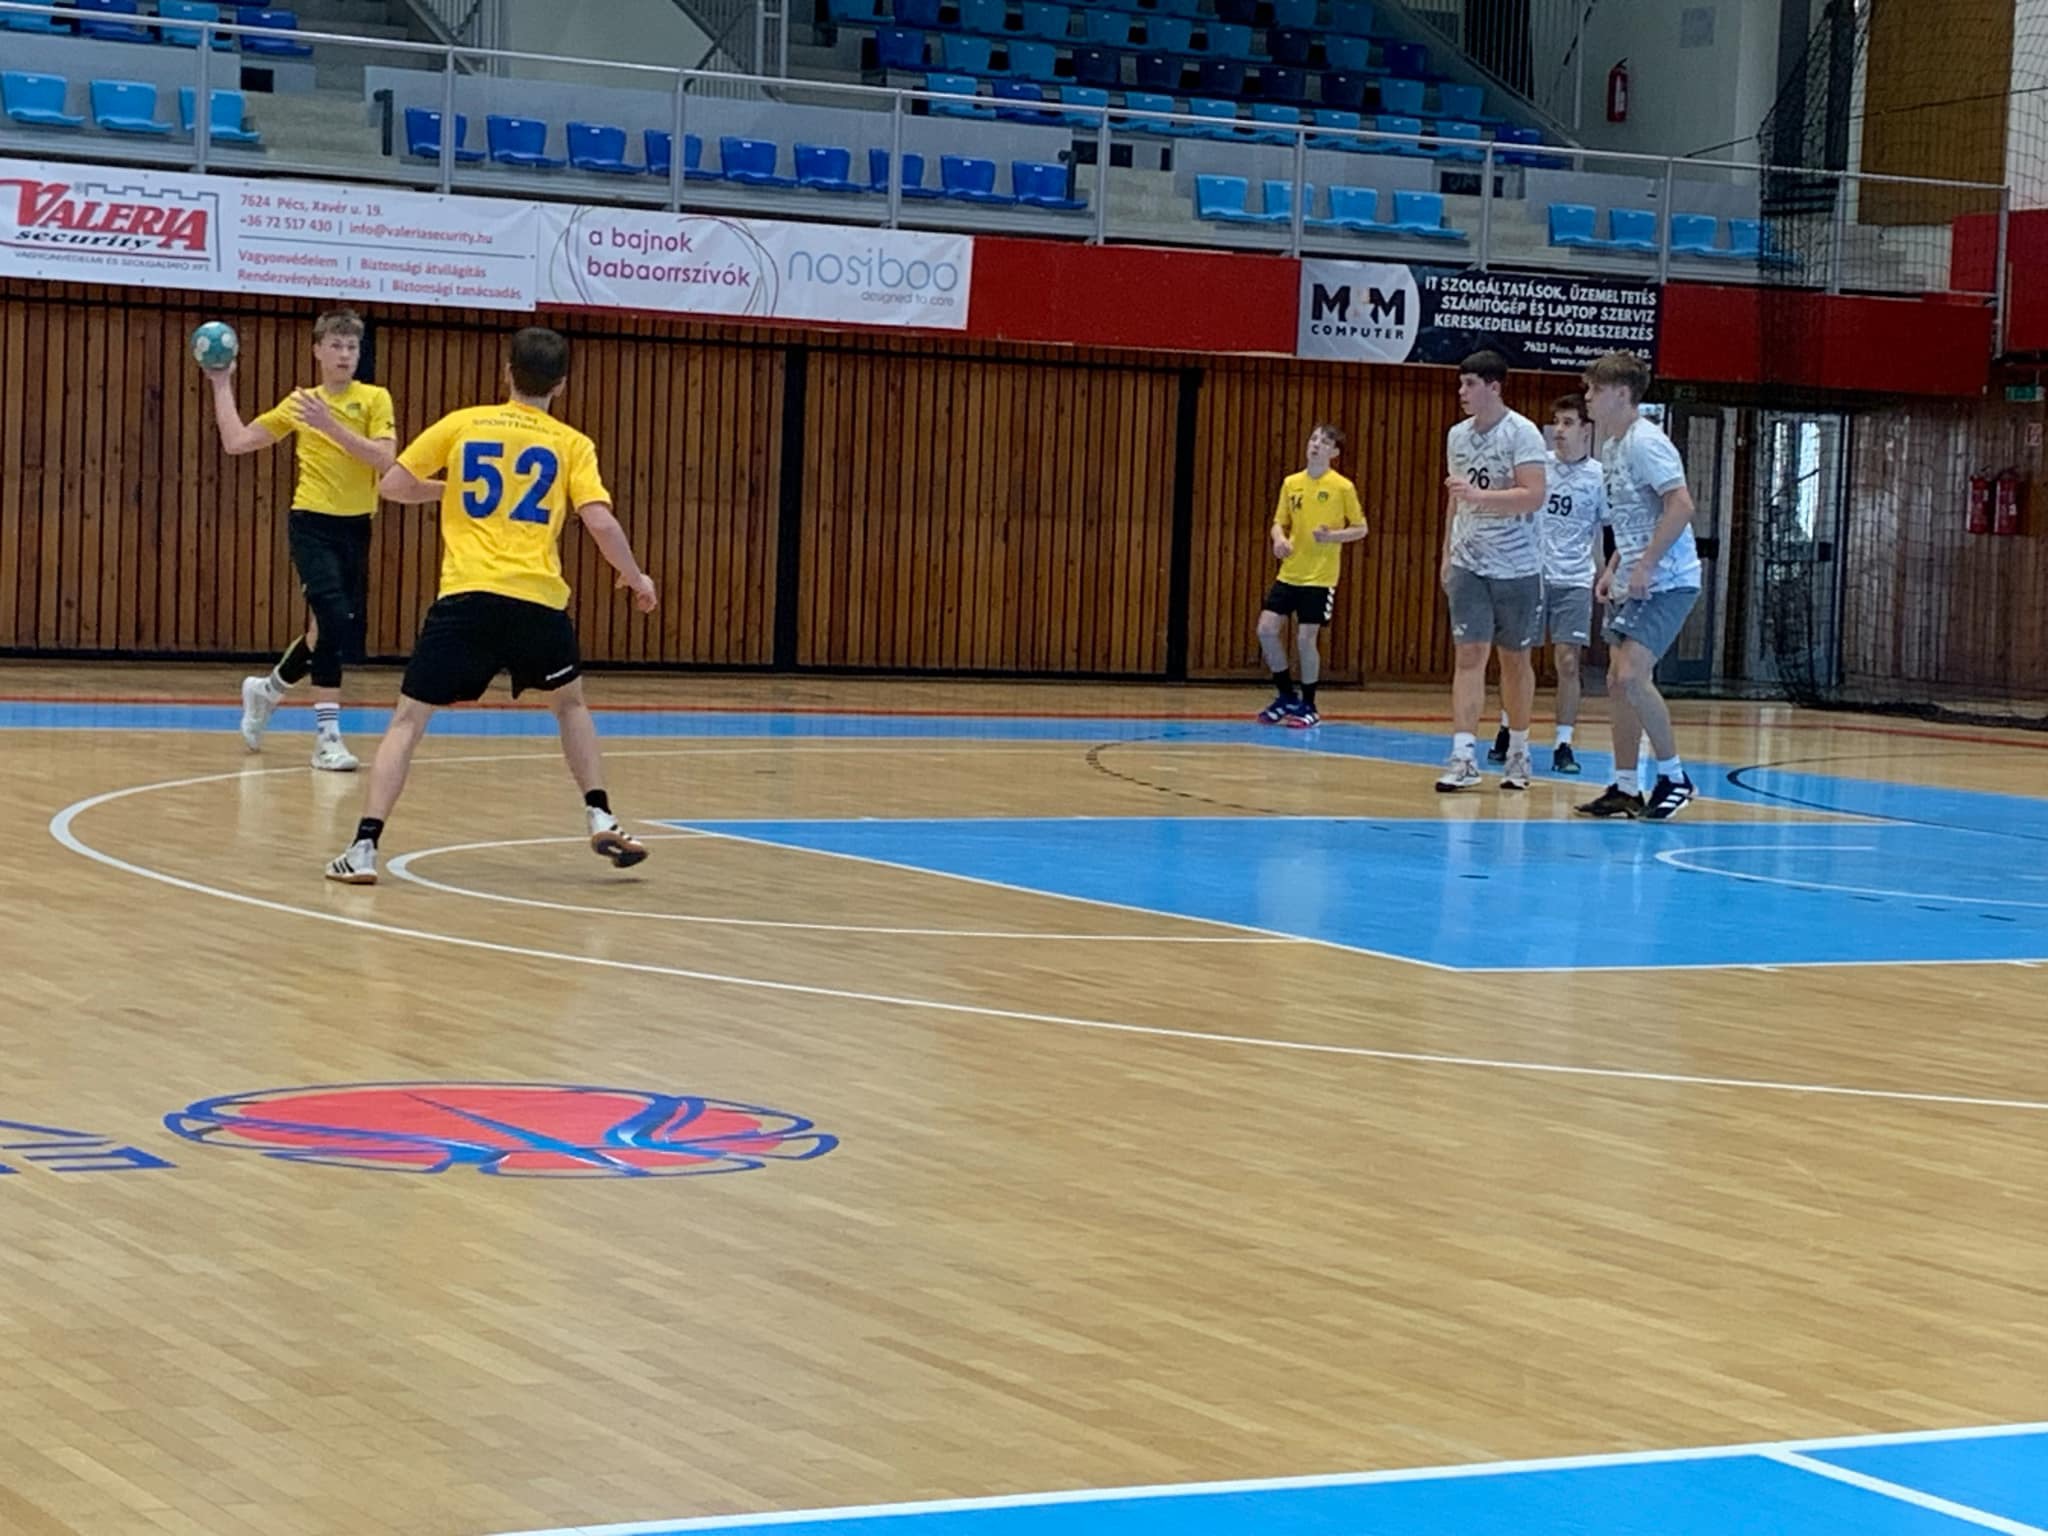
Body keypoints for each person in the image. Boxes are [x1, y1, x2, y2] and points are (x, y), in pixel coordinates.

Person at [320, 326, 660, 884]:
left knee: (408, 720)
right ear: (562, 384)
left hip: (467, 597)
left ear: (507, 373)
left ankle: (363, 847)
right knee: (569, 705)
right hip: (537, 601)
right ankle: (601, 813)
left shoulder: (464, 423)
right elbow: (600, 521)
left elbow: (393, 486)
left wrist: (451, 489)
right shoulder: (572, 443)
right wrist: (635, 576)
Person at [205, 308, 397, 771]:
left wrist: (329, 426)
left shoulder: (374, 399)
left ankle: (267, 690)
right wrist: (221, 383)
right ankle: (327, 738)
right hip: (311, 522)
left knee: (322, 630)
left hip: (357, 525)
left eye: (352, 346)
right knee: (332, 621)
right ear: (317, 351)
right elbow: (237, 441)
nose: (345, 354)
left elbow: (384, 459)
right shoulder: (300, 404)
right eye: (336, 345)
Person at [1575, 351, 1702, 821]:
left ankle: (1674, 777)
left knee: (1631, 675)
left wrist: (1646, 565)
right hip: (1633, 578)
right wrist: (1614, 566)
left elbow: (1681, 505)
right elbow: (1632, 518)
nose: (1588, 398)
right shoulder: (1612, 446)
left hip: (1667, 581)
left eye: (1595, 390)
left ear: (1622, 394)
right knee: (1616, 682)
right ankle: (1626, 786)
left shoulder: (1647, 443)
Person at [1436, 351, 1549, 792]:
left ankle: (1518, 751)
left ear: (1494, 387)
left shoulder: (1522, 433)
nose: (1462, 392)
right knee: (1468, 655)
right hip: (1469, 562)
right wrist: (1447, 554)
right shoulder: (1457, 436)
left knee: (1514, 660)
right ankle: (1463, 756)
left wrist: (1480, 497)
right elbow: (1456, 497)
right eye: (1461, 383)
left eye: (1470, 384)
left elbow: (1533, 494)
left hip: (1517, 566)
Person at [1487, 393, 1606, 774]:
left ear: (1586, 429)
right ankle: (1508, 730)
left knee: (1568, 661)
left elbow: (1607, 532)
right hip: (1531, 574)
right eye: (1556, 422)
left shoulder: (1599, 477)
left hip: (1574, 579)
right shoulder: (1538, 467)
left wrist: (1607, 573)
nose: (1559, 430)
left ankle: (1563, 744)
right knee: (1517, 659)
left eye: (1568, 423)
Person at [1256, 424, 1369, 728]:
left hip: (1320, 577)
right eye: (1314, 439)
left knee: (1306, 639)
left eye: (1325, 442)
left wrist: (1332, 537)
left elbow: (1361, 528)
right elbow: (1278, 522)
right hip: (1290, 572)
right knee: (1266, 629)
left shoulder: (1342, 487)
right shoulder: (1291, 483)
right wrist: (1279, 539)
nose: (1316, 444)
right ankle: (1285, 695)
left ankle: (1309, 705)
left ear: (1334, 453)